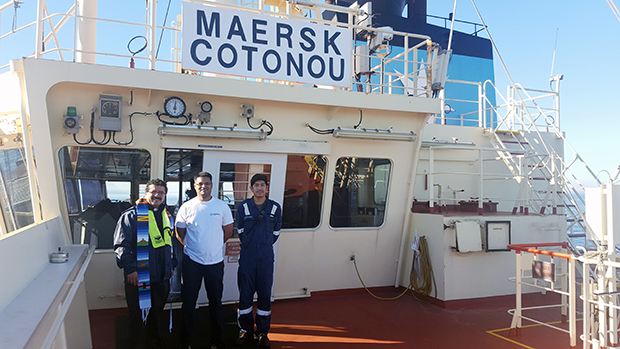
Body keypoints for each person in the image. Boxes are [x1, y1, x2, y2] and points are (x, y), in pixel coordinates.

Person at [113, 178, 176, 349]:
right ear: (146, 193)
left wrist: (172, 266)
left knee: (156, 314)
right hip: (139, 277)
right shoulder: (131, 216)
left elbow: (170, 244)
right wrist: (131, 269)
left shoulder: (167, 216)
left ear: (165, 195)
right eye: (153, 192)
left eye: (161, 192)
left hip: (161, 277)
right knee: (138, 316)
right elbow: (121, 245)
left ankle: (154, 344)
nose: (157, 195)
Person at [176, 172, 234, 349]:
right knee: (189, 302)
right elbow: (179, 233)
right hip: (192, 262)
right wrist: (192, 247)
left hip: (215, 263)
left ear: (212, 185)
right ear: (195, 186)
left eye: (207, 183)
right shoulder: (186, 207)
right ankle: (187, 342)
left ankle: (216, 341)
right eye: (200, 184)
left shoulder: (222, 206)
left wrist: (214, 246)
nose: (204, 186)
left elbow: (228, 231)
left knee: (215, 302)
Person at [235, 174, 282, 348]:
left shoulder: (275, 208)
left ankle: (262, 332)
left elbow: (276, 232)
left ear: (267, 187)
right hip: (247, 258)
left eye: (263, 184)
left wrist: (263, 245)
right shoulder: (244, 207)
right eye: (256, 185)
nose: (260, 188)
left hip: (265, 259)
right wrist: (250, 245)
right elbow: (240, 229)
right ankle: (245, 330)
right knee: (245, 295)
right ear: (251, 188)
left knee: (264, 296)